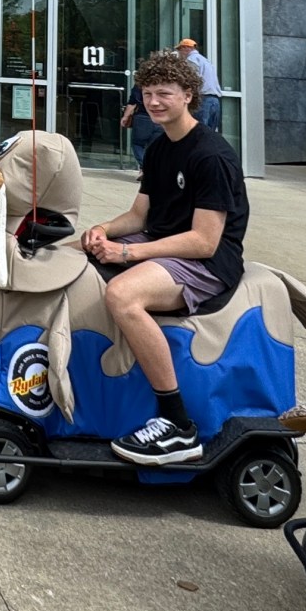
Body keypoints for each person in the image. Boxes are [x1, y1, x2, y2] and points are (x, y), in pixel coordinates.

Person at [79, 48, 249, 466]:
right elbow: (139, 215)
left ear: (189, 94)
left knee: (122, 294)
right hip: (165, 242)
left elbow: (204, 242)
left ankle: (178, 426)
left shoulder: (211, 155)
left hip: (206, 264)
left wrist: (129, 252)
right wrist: (100, 231)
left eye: (165, 93)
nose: (154, 102)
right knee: (72, 257)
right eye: (148, 93)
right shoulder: (158, 149)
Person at [175, 37, 223, 133]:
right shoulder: (205, 61)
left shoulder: (191, 60)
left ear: (186, 48)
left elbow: (191, 80)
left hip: (202, 100)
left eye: (180, 50)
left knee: (198, 132)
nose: (179, 54)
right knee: (210, 134)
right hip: (215, 100)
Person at [118, 81, 159, 170]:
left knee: (137, 144)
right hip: (160, 118)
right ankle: (149, 170)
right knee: (155, 148)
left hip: (143, 117)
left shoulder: (142, 82)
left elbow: (133, 102)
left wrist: (125, 116)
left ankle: (146, 167)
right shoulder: (166, 82)